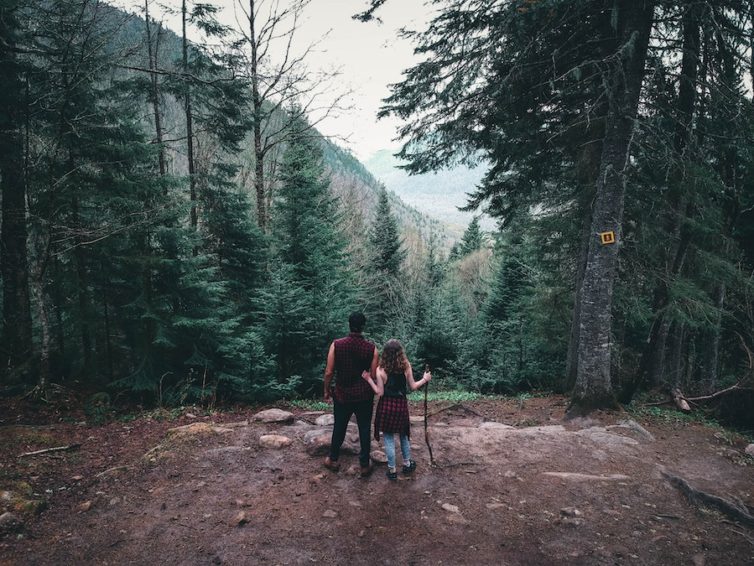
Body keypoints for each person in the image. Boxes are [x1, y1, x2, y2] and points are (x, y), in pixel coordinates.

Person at [361, 339, 431, 481]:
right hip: (400, 405)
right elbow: (413, 386)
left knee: (388, 437)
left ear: (385, 353)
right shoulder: (406, 366)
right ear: (400, 352)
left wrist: (369, 379)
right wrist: (425, 379)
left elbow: (379, 393)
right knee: (403, 434)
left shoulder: (380, 369)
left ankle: (392, 470)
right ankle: (407, 464)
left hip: (386, 406)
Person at [323, 312, 379, 477]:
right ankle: (364, 465)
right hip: (364, 396)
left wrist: (326, 390)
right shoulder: (372, 348)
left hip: (342, 394)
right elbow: (374, 376)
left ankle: (332, 459)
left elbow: (329, 372)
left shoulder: (336, 344)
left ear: (349, 324)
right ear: (363, 327)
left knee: (339, 427)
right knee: (364, 428)